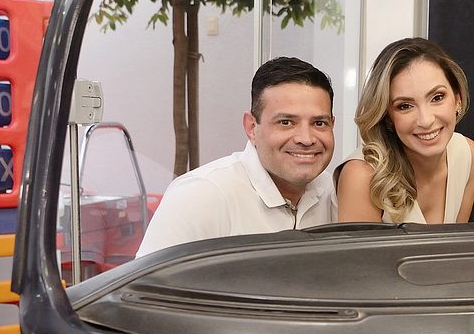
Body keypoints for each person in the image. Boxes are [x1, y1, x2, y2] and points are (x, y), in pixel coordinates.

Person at [135, 56, 337, 257]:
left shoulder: (335, 192)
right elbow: (147, 278)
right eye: (286, 122)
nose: (306, 139)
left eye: (319, 123)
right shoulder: (201, 195)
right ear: (251, 127)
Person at [336, 37, 474, 224]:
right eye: (405, 106)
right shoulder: (361, 176)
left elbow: (455, 243)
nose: (426, 120)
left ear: (457, 99)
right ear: (387, 116)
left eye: (437, 97)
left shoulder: (469, 155)